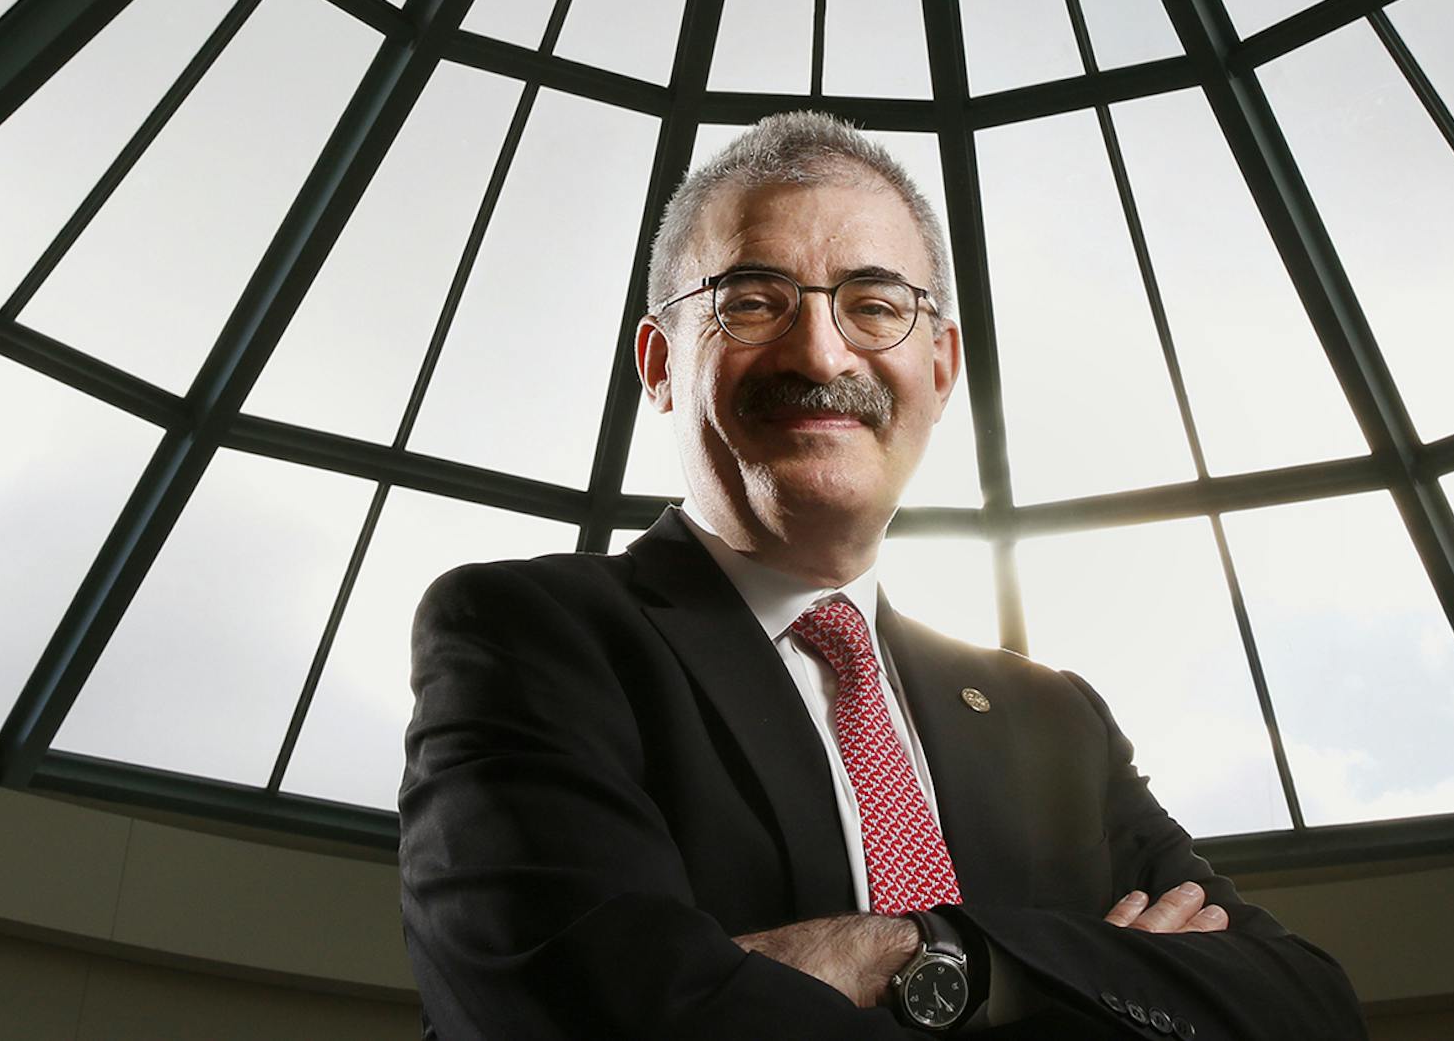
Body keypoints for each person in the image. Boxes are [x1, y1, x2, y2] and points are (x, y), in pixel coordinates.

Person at [400, 112, 1367, 1039]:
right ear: (659, 362)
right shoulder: (524, 634)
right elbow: (594, 1016)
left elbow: (1302, 1008)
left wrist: (923, 955)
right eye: (752, 299)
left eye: (874, 304)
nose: (821, 351)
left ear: (941, 367)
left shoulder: (1056, 718)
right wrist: (1087, 986)